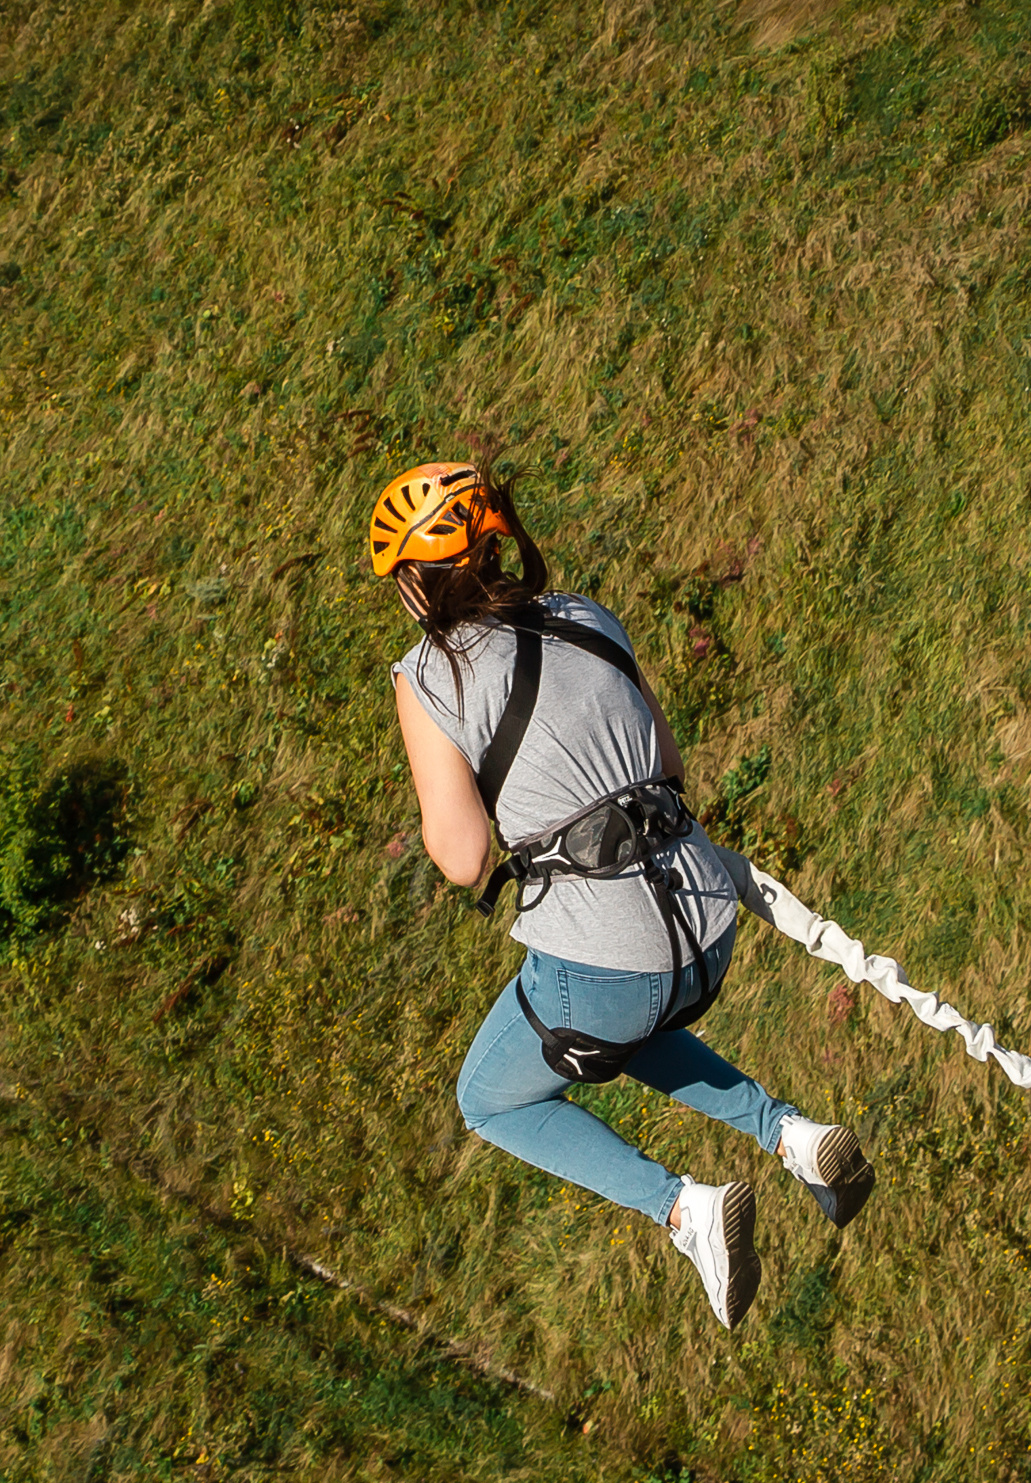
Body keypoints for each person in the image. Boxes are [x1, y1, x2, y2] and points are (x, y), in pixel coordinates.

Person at [374, 461, 874, 1330]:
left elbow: (460, 858)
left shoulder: (425, 677)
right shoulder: (585, 617)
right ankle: (790, 1134)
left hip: (614, 963)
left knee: (489, 1098)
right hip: (703, 927)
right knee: (611, 1027)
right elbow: (669, 767)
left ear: (418, 583)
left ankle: (685, 1210)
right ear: (492, 543)